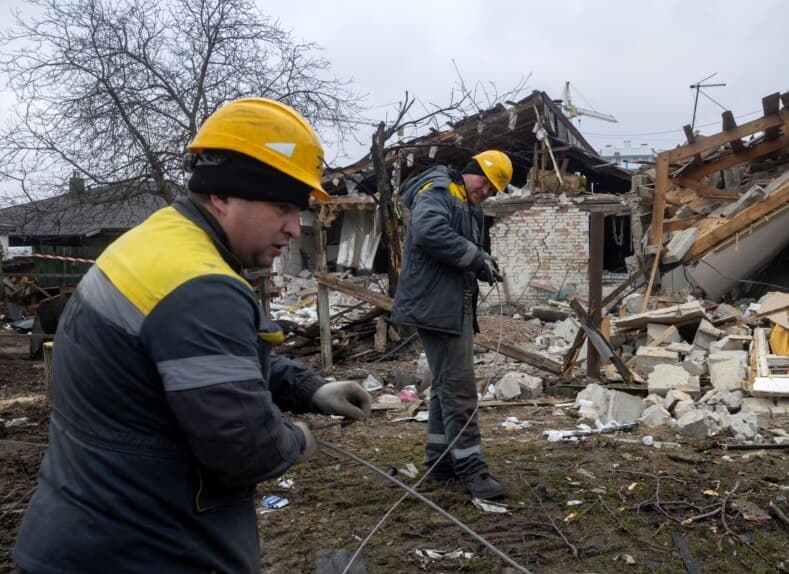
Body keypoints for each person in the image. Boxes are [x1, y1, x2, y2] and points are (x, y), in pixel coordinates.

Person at [12, 98, 373, 573]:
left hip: (88, 526)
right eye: (281, 207)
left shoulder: (159, 244)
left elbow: (206, 357)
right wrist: (296, 440)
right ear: (222, 196)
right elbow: (245, 446)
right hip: (146, 548)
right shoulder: (199, 287)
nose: (293, 227)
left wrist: (310, 389)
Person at [391, 150, 512, 500]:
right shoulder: (439, 191)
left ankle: (441, 459)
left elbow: (464, 249)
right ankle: (471, 468)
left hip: (448, 305)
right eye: (485, 183)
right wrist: (475, 258)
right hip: (436, 306)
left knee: (445, 384)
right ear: (472, 171)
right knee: (459, 387)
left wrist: (482, 262)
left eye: (492, 190)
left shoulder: (467, 204)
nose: (486, 192)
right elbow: (428, 231)